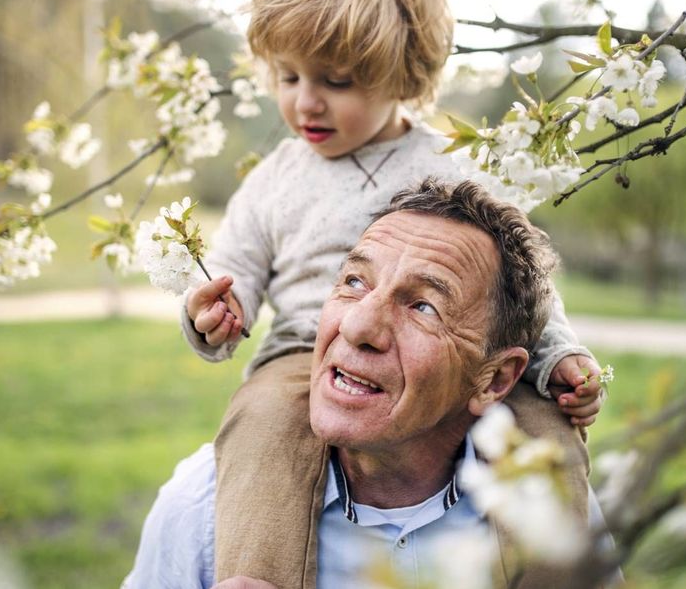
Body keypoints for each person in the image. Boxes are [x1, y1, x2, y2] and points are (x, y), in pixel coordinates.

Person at [180, 0, 606, 581]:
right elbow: (231, 265)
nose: (306, 104)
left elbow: (523, 286)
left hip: (451, 356)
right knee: (263, 426)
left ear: (403, 76)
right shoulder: (275, 178)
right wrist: (213, 311)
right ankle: (256, 574)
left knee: (545, 430)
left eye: (336, 81)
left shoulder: (454, 164)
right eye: (288, 77)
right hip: (307, 352)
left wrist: (556, 356)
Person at [128, 179, 595, 589]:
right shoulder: (201, 508)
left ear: (494, 380)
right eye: (354, 281)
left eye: (423, 307)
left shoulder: (552, 513)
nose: (357, 326)